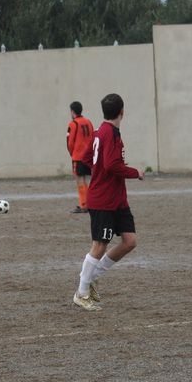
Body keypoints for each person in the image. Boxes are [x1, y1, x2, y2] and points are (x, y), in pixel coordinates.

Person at [72, 93, 144, 312]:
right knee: (99, 245)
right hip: (103, 199)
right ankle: (81, 293)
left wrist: (102, 169)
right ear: (122, 112)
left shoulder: (99, 132)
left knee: (129, 241)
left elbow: (87, 158)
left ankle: (92, 276)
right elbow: (112, 165)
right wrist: (135, 172)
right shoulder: (109, 133)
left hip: (117, 199)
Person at [66, 101, 94, 214]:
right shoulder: (88, 122)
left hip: (78, 157)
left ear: (72, 112)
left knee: (80, 180)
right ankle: (91, 204)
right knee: (88, 180)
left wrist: (72, 153)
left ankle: (83, 205)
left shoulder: (73, 124)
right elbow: (93, 137)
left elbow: (70, 142)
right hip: (88, 157)